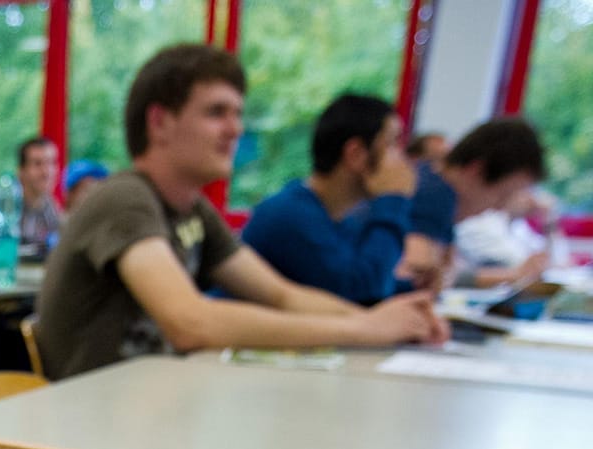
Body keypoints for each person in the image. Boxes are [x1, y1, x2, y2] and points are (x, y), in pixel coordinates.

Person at [33, 44, 446, 381]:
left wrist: (390, 323)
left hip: (150, 404)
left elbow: (282, 294)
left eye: (237, 113)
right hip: (92, 426)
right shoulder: (123, 198)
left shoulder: (192, 209)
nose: (236, 129)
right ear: (159, 122)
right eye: (217, 112)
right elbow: (190, 323)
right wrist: (365, 329)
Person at [240, 93, 415, 305]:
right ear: (356, 154)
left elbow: (364, 283)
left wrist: (413, 286)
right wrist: (393, 199)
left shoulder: (343, 219)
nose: (401, 160)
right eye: (392, 144)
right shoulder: (288, 214)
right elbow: (359, 292)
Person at [399, 117, 548, 290]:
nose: (499, 208)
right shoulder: (435, 196)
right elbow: (416, 284)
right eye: (502, 195)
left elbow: (450, 275)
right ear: (476, 170)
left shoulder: (437, 185)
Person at [18, 136, 65, 261]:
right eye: (37, 164)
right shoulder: (8, 209)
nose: (46, 171)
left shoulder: (52, 208)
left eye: (52, 163)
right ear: (21, 171)